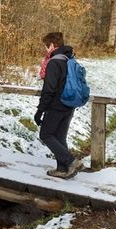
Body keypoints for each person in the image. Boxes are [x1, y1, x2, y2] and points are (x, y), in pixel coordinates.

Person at [34, 32, 83, 179]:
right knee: (60, 137)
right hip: (70, 104)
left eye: (45, 46)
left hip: (57, 105)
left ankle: (71, 161)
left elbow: (49, 89)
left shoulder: (54, 62)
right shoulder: (69, 58)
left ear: (52, 45)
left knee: (46, 134)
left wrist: (39, 111)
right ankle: (62, 169)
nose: (45, 49)